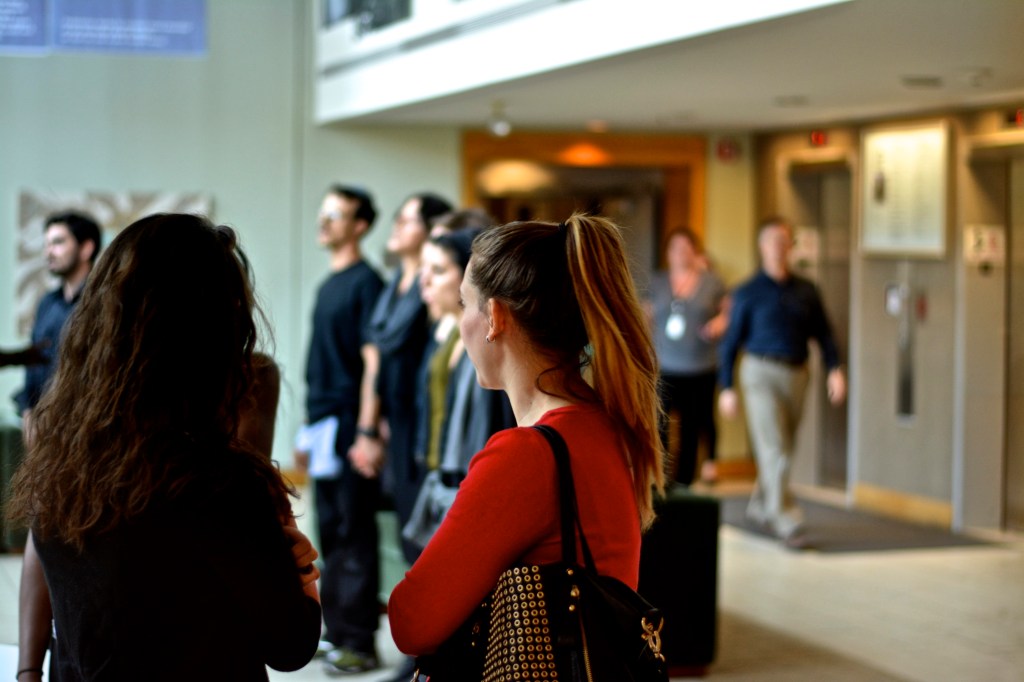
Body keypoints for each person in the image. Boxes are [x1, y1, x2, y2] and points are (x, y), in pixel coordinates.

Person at [5, 213, 322, 681]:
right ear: (217, 332)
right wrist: (302, 574)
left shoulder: (63, 462)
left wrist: (29, 671)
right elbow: (292, 644)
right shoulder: (218, 481)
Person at [388, 214, 665, 659]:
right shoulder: (604, 425)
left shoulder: (526, 456)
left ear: (495, 317)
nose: (461, 322)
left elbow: (411, 621)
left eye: (464, 304)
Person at [294, 184, 386, 676]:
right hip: (323, 422)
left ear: (360, 226)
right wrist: (306, 431)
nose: (324, 221)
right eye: (324, 212)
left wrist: (367, 431)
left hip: (351, 422)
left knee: (353, 531)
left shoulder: (366, 283)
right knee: (330, 530)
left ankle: (359, 641)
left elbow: (374, 363)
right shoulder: (329, 283)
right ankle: (337, 628)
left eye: (337, 214)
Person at [717, 216, 846, 549]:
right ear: (762, 246)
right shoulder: (747, 291)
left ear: (791, 246)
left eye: (784, 241)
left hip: (797, 373)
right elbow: (730, 343)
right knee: (776, 447)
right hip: (759, 372)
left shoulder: (807, 290)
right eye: (772, 240)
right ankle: (786, 519)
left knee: (783, 445)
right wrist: (727, 387)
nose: (778, 247)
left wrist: (835, 368)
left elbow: (824, 333)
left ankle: (761, 504)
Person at [365, 192, 452, 570]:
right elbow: (376, 355)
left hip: (420, 423)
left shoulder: (431, 291)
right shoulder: (392, 284)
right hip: (395, 421)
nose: (397, 226)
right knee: (405, 533)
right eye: (397, 218)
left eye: (408, 219)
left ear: (430, 229)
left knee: (425, 543)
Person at [1, 211, 101, 445]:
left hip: (85, 432)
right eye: (46, 244)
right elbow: (35, 363)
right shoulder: (47, 303)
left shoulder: (102, 303)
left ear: (86, 248)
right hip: (43, 432)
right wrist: (28, 412)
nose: (48, 252)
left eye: (58, 242)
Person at [649, 227, 728, 486]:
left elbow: (730, 311)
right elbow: (644, 313)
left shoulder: (712, 282)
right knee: (660, 422)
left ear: (695, 252)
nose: (681, 253)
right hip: (665, 365)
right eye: (675, 248)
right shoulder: (658, 281)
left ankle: (685, 482)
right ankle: (662, 479)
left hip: (700, 366)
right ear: (668, 253)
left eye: (686, 248)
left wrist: (720, 323)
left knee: (692, 425)